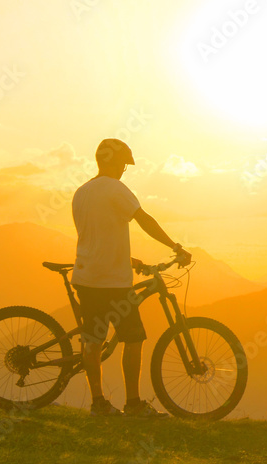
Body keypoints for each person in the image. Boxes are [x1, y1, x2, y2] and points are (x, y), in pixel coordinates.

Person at [71, 138, 191, 417]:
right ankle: (134, 404)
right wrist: (175, 246)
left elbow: (95, 237)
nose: (125, 169)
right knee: (133, 338)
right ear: (116, 163)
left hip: (86, 276)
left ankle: (98, 403)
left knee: (92, 341)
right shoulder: (116, 189)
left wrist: (130, 260)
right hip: (113, 282)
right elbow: (144, 219)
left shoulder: (82, 192)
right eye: (124, 164)